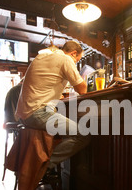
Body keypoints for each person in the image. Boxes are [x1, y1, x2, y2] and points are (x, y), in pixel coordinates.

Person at [15, 40, 90, 172]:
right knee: (82, 134)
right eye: (77, 61)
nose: (75, 63)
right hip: (38, 113)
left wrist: (55, 95)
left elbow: (44, 84)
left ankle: (43, 163)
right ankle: (44, 166)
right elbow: (82, 89)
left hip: (24, 114)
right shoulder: (65, 59)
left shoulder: (42, 56)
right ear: (73, 54)